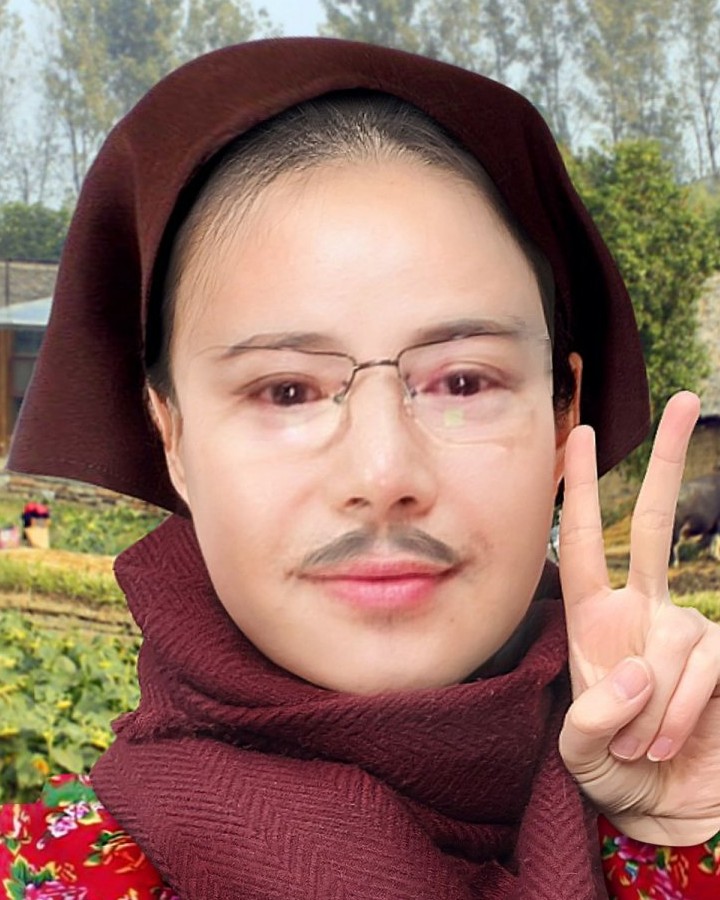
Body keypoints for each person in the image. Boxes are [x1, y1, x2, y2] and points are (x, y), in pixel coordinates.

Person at [1, 37, 719, 900]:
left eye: (463, 382)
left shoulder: (688, 828)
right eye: (287, 390)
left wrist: (686, 840)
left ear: (564, 415)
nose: (382, 475)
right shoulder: (45, 880)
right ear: (173, 436)